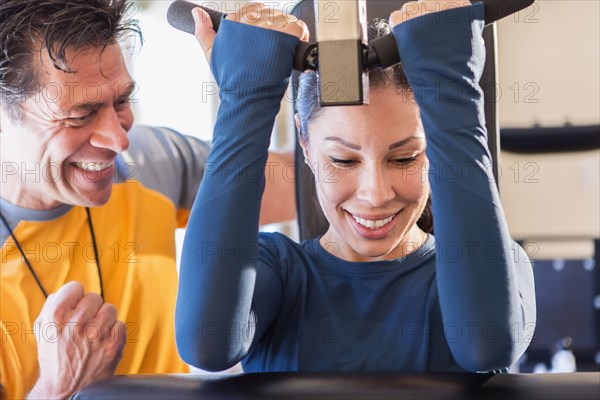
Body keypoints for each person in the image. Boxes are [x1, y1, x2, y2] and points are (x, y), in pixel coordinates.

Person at [175, 0, 537, 373]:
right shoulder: (276, 270)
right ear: (304, 141)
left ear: (436, 147)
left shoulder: (501, 266)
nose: (376, 194)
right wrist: (244, 101)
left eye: (405, 158)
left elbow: (484, 346)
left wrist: (450, 92)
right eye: (344, 160)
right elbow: (206, 344)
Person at [0, 1, 295, 398]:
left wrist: (261, 89)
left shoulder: (146, 163)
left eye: (120, 102)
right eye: (80, 116)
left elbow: (311, 188)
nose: (119, 140)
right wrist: (57, 389)